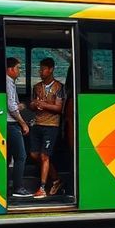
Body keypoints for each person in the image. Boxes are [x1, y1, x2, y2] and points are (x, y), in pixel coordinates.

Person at [29, 57, 66, 198]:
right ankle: (56, 179)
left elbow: (58, 107)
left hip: (51, 125)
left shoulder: (59, 87)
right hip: (37, 123)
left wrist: (44, 105)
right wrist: (35, 105)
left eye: (43, 69)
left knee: (45, 155)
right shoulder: (36, 87)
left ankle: (42, 188)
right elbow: (32, 104)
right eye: (40, 69)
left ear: (51, 70)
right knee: (34, 154)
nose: (41, 72)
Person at [6, 57, 31, 198]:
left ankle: (7, 186)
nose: (19, 71)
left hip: (8, 124)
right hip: (11, 125)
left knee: (8, 157)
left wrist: (18, 106)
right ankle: (18, 187)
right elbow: (11, 108)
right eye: (18, 68)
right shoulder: (8, 83)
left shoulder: (10, 83)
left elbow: (13, 105)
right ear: (10, 69)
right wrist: (23, 123)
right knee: (21, 156)